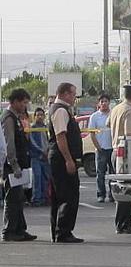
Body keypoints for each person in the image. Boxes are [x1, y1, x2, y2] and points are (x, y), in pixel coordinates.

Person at [48, 83, 84, 243]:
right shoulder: (61, 111)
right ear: (64, 93)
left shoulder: (61, 110)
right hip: (62, 159)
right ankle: (63, 232)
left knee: (60, 195)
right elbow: (60, 137)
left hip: (59, 158)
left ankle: (59, 231)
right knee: (67, 195)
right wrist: (69, 160)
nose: (75, 97)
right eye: (73, 94)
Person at [108, 85, 131, 234]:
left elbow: (108, 123)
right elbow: (130, 133)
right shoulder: (129, 111)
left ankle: (127, 220)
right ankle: (122, 223)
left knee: (127, 188)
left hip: (115, 150)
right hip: (126, 152)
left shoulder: (116, 108)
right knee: (124, 188)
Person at [1, 89, 36, 242]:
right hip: (11, 166)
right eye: (23, 102)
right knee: (12, 198)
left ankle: (20, 229)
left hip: (19, 164)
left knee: (19, 197)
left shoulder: (16, 117)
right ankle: (9, 230)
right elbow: (9, 144)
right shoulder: (8, 118)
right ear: (15, 101)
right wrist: (14, 165)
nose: (25, 106)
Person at [88, 94, 114, 203]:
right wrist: (98, 147)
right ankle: (101, 194)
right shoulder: (94, 117)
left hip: (112, 148)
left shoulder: (113, 114)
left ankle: (112, 194)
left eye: (106, 101)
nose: (104, 103)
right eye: (102, 101)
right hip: (101, 149)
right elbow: (92, 134)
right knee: (100, 173)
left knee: (113, 173)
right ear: (99, 103)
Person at [29, 108, 49, 206]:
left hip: (46, 157)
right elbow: (32, 142)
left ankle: (44, 198)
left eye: (42, 115)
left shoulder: (45, 127)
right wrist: (41, 151)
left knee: (45, 178)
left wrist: (47, 151)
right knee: (37, 177)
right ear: (34, 116)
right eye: (38, 115)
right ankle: (36, 199)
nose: (40, 117)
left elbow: (48, 141)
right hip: (36, 156)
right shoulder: (32, 128)